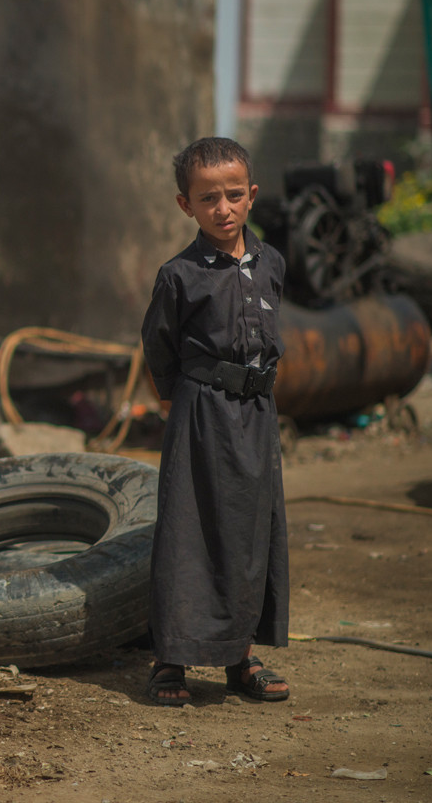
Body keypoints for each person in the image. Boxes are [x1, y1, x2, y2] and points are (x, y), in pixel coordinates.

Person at [139, 136, 290, 706]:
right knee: (188, 531)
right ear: (187, 206)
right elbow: (160, 344)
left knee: (249, 534)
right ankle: (169, 661)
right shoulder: (179, 275)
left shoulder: (271, 261)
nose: (222, 209)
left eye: (232, 195)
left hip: (258, 414)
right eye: (208, 199)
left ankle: (239, 658)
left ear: (251, 196)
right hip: (201, 414)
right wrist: (179, 403)